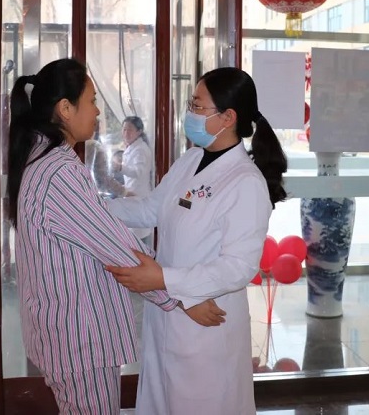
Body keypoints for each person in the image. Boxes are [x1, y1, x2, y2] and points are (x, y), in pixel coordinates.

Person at [6, 58, 223, 414]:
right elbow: (117, 250)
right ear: (65, 109)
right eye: (91, 101)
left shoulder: (42, 158)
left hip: (66, 332)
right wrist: (183, 298)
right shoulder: (58, 170)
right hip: (79, 338)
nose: (97, 111)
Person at [105, 67, 288, 415]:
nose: (190, 114)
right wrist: (94, 207)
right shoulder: (191, 159)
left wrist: (163, 279)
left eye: (198, 106)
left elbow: (238, 267)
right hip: (168, 317)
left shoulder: (245, 182)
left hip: (206, 329)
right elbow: (150, 209)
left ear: (228, 117)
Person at [112, 116, 154, 244]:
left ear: (139, 131)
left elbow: (138, 172)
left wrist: (120, 167)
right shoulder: (132, 147)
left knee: (139, 239)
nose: (126, 133)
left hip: (138, 196)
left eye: (130, 130)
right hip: (131, 196)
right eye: (124, 129)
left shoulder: (141, 149)